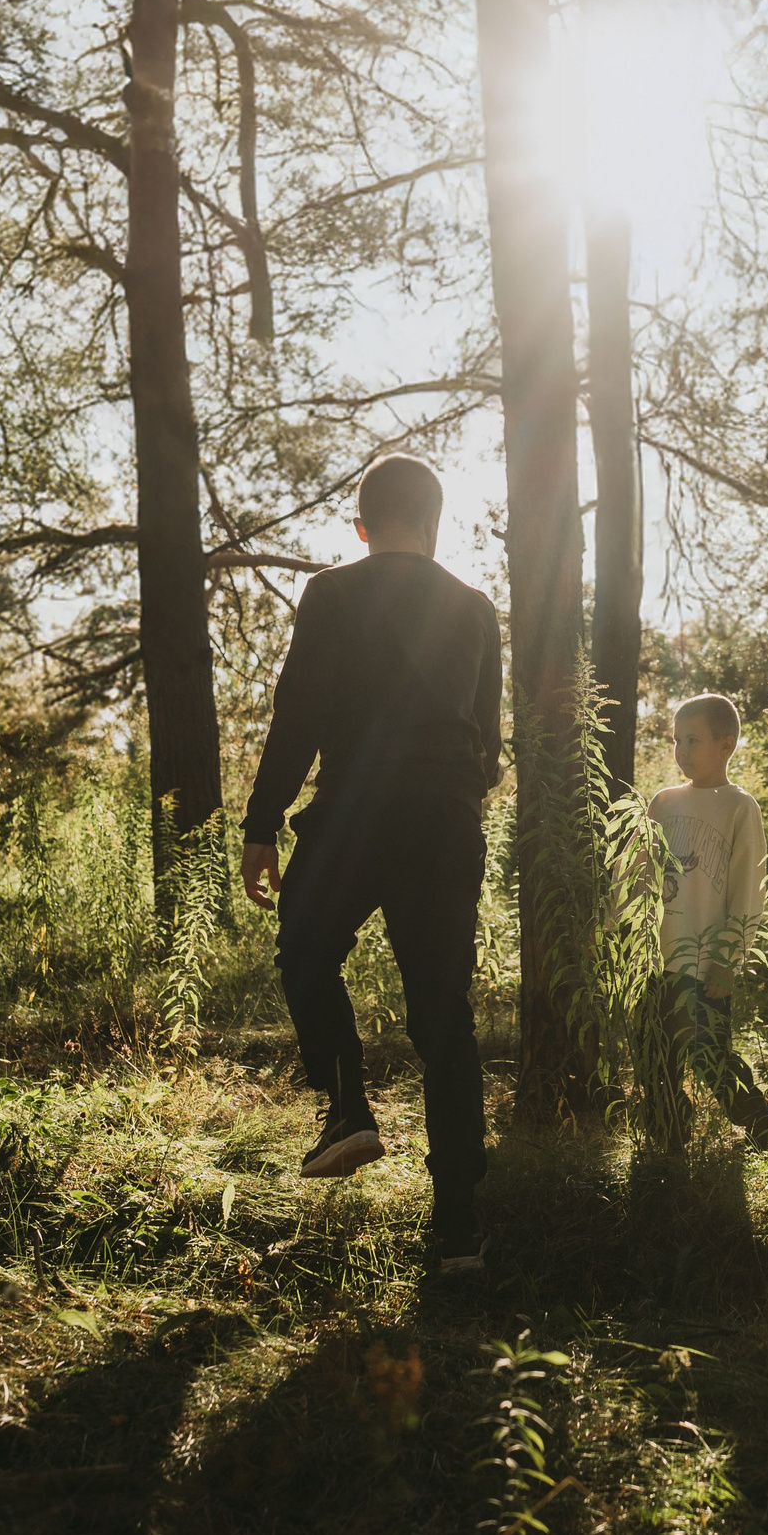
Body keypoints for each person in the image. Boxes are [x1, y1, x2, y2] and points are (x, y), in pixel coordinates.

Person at [240, 454, 500, 1271]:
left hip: (353, 814)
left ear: (360, 526)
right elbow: (489, 747)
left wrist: (261, 823)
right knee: (443, 1016)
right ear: (434, 522)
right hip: (445, 823)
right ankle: (457, 1228)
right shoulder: (475, 608)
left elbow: (297, 716)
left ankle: (348, 1106)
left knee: (305, 950)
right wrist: (455, 800)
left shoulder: (332, 593)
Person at [638, 693, 768, 1152]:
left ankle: (763, 1129)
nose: (681, 751)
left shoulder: (739, 806)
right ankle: (669, 1144)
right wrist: (616, 932)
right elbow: (638, 874)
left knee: (710, 1057)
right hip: (656, 959)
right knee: (655, 1057)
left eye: (692, 740)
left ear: (726, 745)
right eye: (676, 741)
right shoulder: (662, 803)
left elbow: (747, 889)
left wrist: (727, 958)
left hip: (704, 964)